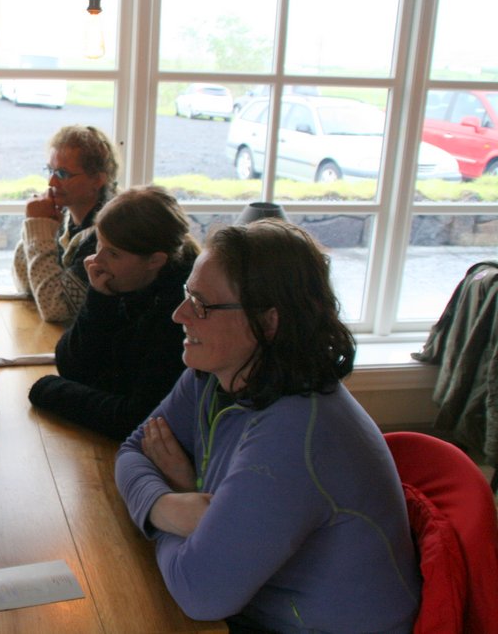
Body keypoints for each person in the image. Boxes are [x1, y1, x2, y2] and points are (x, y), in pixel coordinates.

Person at [115, 220, 420, 633]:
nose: (179, 314)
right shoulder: (213, 376)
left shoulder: (297, 431)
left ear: (269, 322)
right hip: (255, 609)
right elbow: (132, 450)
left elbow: (199, 592)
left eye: (201, 304)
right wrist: (169, 506)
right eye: (188, 294)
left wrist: (170, 512)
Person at [29, 186, 198, 440]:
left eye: (113, 253)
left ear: (155, 261)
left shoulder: (179, 314)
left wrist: (47, 390)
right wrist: (99, 299)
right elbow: (72, 368)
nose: (96, 260)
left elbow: (136, 418)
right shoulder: (129, 284)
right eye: (99, 244)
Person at [12, 125, 119, 324]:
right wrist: (38, 226)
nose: (51, 182)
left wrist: (38, 228)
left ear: (97, 180)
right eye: (50, 170)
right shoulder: (66, 221)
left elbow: (56, 308)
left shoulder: (107, 235)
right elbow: (26, 284)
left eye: (62, 174)